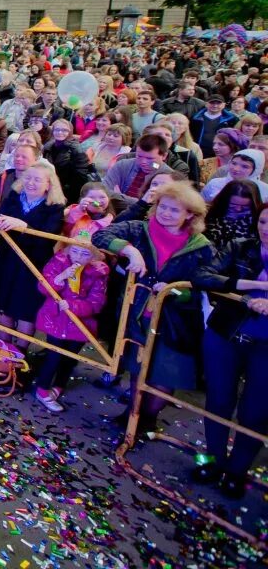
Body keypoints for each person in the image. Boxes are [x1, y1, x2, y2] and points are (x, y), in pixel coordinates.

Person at [93, 182, 217, 435]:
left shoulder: (202, 247)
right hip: (139, 315)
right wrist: (129, 251)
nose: (166, 213)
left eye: (174, 210)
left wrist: (177, 291)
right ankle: (132, 415)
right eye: (162, 206)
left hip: (175, 323)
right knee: (139, 370)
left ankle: (147, 419)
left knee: (164, 376)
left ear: (190, 214)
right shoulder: (140, 229)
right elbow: (100, 235)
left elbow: (209, 285)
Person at [192, 206, 268, 500]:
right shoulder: (239, 246)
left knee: (256, 411)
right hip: (226, 333)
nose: (265, 229)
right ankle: (213, 461)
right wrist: (251, 289)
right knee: (219, 400)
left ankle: (237, 471)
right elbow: (202, 275)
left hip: (264, 346)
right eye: (262, 221)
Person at [0, 163, 67, 348]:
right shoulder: (14, 196)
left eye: (37, 179)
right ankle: (4, 347)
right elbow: (0, 217)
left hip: (33, 263)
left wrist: (23, 226)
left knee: (25, 308)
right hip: (7, 258)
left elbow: (48, 237)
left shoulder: (55, 207)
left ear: (48, 184)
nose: (30, 182)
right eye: (28, 178)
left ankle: (21, 351)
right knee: (2, 301)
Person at [31, 234, 110, 412]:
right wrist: (61, 278)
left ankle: (58, 387)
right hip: (56, 319)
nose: (78, 257)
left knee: (70, 358)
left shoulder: (98, 274)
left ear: (94, 256)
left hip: (80, 325)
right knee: (54, 355)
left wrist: (74, 306)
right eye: (75, 251)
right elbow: (43, 287)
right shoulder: (58, 262)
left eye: (85, 254)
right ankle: (42, 390)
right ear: (68, 249)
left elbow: (97, 302)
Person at [204, 179, 262, 250]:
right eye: (233, 204)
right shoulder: (208, 214)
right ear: (224, 200)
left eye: (245, 206)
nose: (238, 209)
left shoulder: (260, 220)